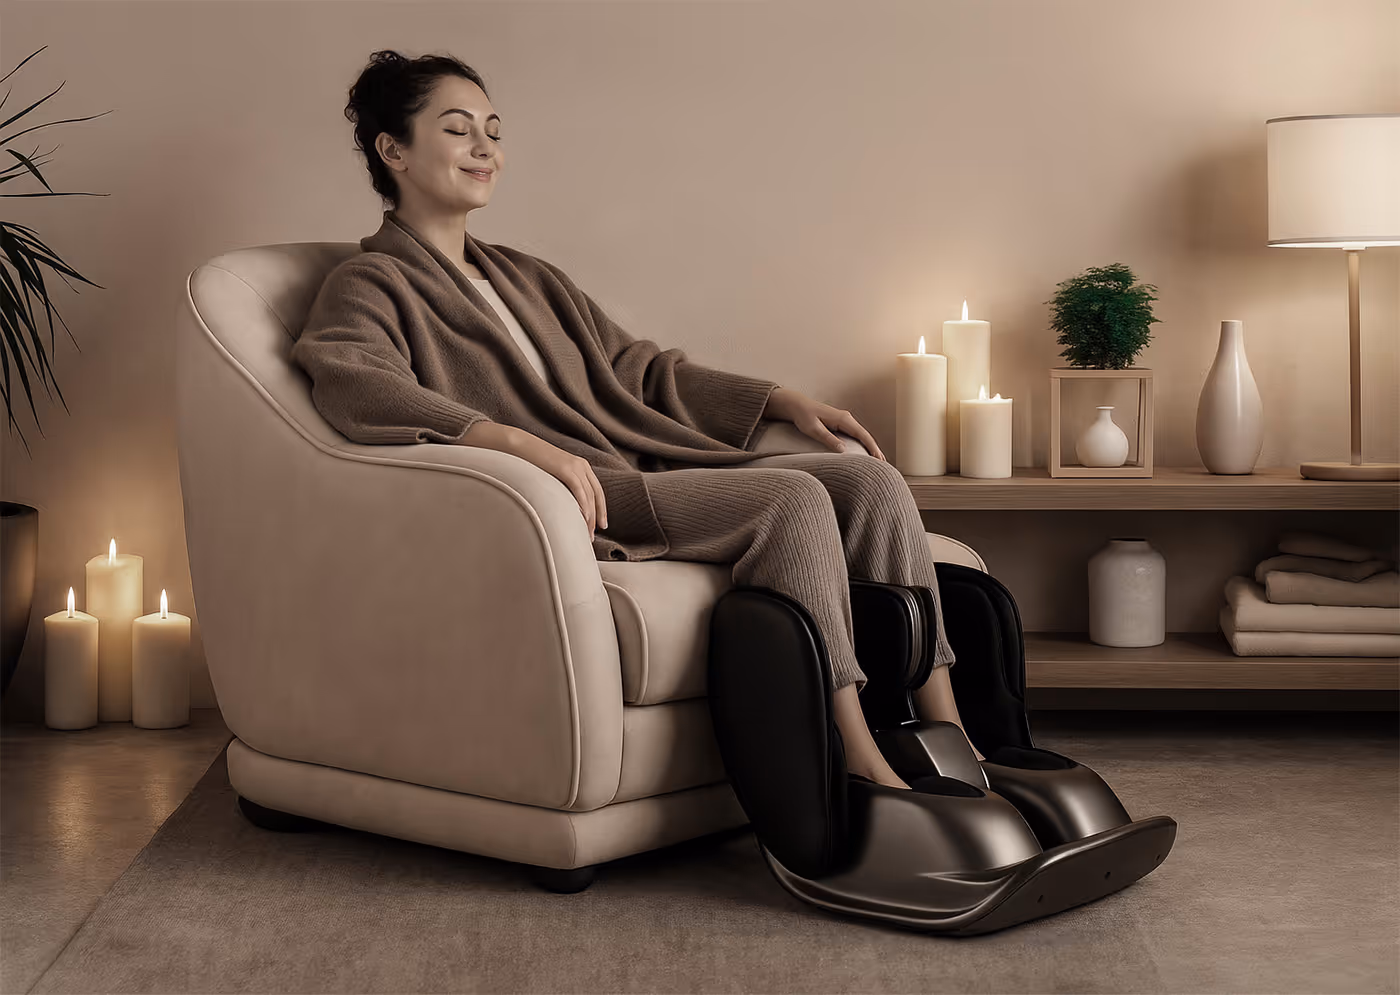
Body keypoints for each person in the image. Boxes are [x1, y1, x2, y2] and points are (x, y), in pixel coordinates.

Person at [293, 50, 982, 790]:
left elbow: (640, 370)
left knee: (872, 481)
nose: (486, 148)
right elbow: (354, 382)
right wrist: (515, 441)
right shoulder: (369, 281)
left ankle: (953, 741)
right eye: (458, 130)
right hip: (586, 494)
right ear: (391, 149)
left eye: (493, 129)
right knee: (795, 498)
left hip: (642, 462)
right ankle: (856, 761)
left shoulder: (526, 276)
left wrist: (780, 399)